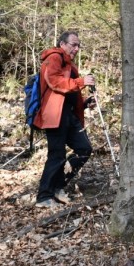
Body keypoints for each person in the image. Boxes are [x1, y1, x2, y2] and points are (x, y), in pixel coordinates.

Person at [33, 31, 96, 209]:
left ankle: (58, 186)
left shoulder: (70, 65)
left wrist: (84, 104)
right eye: (73, 44)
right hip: (54, 116)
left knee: (84, 149)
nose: (76, 48)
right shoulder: (54, 57)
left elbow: (68, 97)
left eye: (78, 45)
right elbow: (54, 82)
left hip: (68, 116)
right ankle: (43, 196)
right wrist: (81, 81)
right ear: (62, 44)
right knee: (56, 155)